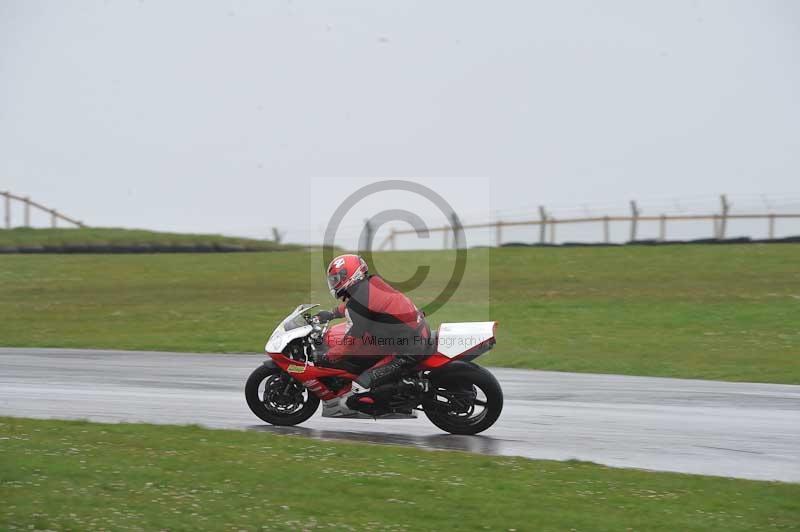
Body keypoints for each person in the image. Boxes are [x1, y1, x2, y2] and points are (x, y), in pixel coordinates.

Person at [315, 254, 430, 407]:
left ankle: (411, 388)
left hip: (408, 350)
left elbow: (352, 343)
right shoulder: (372, 283)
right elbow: (363, 307)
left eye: (336, 279)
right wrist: (332, 313)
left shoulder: (360, 300)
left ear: (349, 276)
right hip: (417, 333)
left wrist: (327, 357)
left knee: (357, 392)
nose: (334, 283)